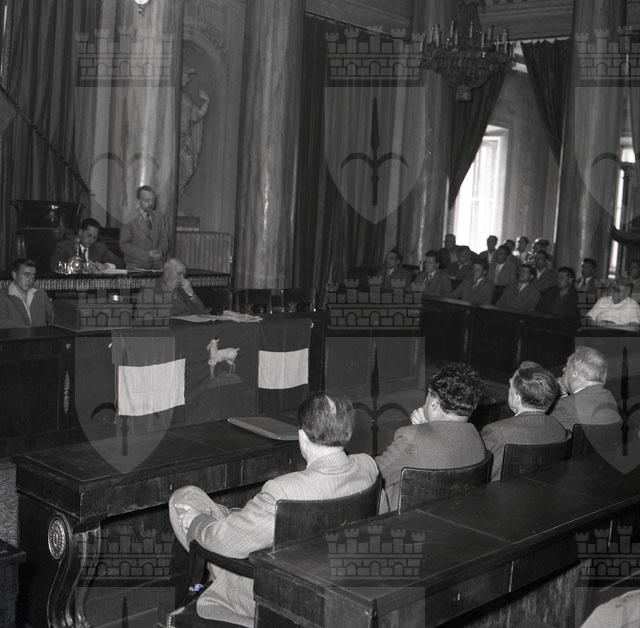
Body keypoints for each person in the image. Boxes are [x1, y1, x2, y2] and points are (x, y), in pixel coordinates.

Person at [168, 392, 378, 625]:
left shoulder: (283, 491)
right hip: (334, 584)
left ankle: (227, 593)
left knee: (184, 498)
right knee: (229, 516)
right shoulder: (368, 468)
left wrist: (197, 522)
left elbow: (223, 542)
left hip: (277, 593)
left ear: (302, 437)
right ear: (347, 433)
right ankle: (231, 523)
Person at [375, 363, 486, 511]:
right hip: (454, 515)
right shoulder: (476, 437)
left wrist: (418, 432)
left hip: (407, 519)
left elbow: (372, 474)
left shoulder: (412, 439)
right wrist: (424, 427)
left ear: (434, 403)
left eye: (428, 393)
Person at [481, 364, 567, 481]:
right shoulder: (558, 428)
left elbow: (482, 476)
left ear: (517, 398)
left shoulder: (497, 432)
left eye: (510, 388)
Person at [551, 346, 621, 431]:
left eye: (567, 366)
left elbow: (547, 433)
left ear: (574, 373)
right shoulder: (609, 397)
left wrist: (558, 393)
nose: (563, 370)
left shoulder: (564, 406)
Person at [119, 185, 169, 269]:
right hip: (136, 266)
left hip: (156, 265)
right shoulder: (129, 219)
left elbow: (164, 239)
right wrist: (146, 254)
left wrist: (160, 252)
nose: (150, 203)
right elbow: (123, 245)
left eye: (152, 200)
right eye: (147, 200)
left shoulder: (159, 217)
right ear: (138, 201)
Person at [49, 218, 124, 272]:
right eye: (89, 235)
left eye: (95, 237)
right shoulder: (65, 247)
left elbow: (120, 264)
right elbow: (56, 265)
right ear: (80, 232)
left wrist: (106, 266)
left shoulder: (100, 248)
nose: (92, 240)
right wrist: (82, 266)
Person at [179, 67, 210, 198]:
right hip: (171, 142)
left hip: (183, 141)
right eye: (185, 75)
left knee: (188, 171)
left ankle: (176, 195)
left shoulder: (185, 99)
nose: (187, 79)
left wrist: (206, 102)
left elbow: (196, 115)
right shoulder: (171, 96)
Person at [0, 258, 53, 328]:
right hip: (15, 335)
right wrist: (28, 331)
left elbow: (52, 318)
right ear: (14, 275)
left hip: (40, 335)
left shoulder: (40, 293)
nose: (30, 279)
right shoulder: (3, 296)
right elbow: (3, 323)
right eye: (26, 274)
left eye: (33, 275)